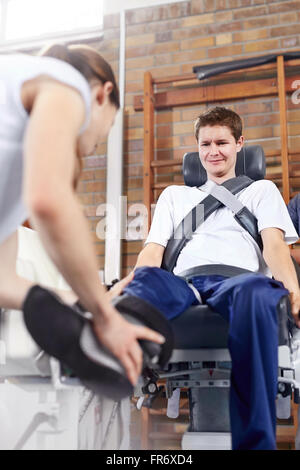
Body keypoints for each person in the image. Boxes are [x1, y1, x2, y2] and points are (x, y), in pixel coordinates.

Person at [115, 106, 300, 450]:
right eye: (205, 144)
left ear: (239, 144)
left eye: (222, 143)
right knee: (139, 289)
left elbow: (275, 246)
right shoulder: (174, 196)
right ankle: (113, 367)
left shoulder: (262, 191)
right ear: (196, 147)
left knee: (261, 292)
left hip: (239, 282)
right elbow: (153, 252)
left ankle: (255, 443)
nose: (213, 151)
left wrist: (293, 289)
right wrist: (133, 280)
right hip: (184, 282)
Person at [0, 44, 164, 388]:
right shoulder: (66, 83)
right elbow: (49, 201)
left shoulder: (10, 189)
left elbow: (5, 285)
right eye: (111, 124)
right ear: (103, 95)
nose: (102, 137)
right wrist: (106, 318)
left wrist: (86, 302)